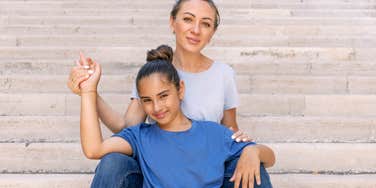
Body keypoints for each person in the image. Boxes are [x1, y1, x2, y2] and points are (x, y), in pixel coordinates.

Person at [68, 0, 275, 187]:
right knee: (113, 161)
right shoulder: (153, 74)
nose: (195, 29)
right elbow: (126, 127)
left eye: (205, 23)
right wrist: (89, 91)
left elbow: (230, 130)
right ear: (172, 22)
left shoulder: (223, 75)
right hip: (157, 162)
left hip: (207, 161)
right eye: (187, 19)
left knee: (253, 166)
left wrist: (250, 148)